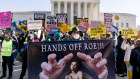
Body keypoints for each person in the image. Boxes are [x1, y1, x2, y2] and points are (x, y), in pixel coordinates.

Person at [39, 52, 108, 79]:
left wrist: (101, 75)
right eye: (72, 64)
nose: (73, 66)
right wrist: (50, 77)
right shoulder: (67, 76)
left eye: (75, 65)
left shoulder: (79, 73)